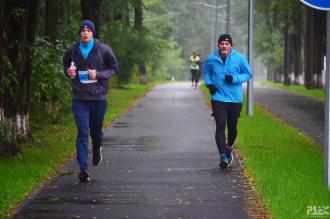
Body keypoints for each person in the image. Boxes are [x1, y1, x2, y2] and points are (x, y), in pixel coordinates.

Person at [63, 20, 119, 183]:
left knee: (96, 132)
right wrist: (69, 72)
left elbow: (114, 68)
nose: (85, 33)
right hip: (79, 97)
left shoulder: (103, 50)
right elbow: (66, 66)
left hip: (98, 98)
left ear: (93, 33)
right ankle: (83, 170)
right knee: (82, 132)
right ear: (80, 33)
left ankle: (96, 149)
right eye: (83, 30)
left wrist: (99, 74)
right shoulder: (72, 51)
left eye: (88, 30)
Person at [204, 34, 252, 168]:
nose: (224, 46)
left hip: (235, 99)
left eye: (227, 44)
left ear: (231, 46)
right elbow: (207, 72)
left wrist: (235, 79)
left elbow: (248, 74)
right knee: (220, 126)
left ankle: (229, 147)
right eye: (222, 44)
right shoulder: (212, 58)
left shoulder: (239, 58)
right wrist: (210, 84)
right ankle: (223, 156)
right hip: (218, 97)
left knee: (232, 128)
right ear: (218, 45)